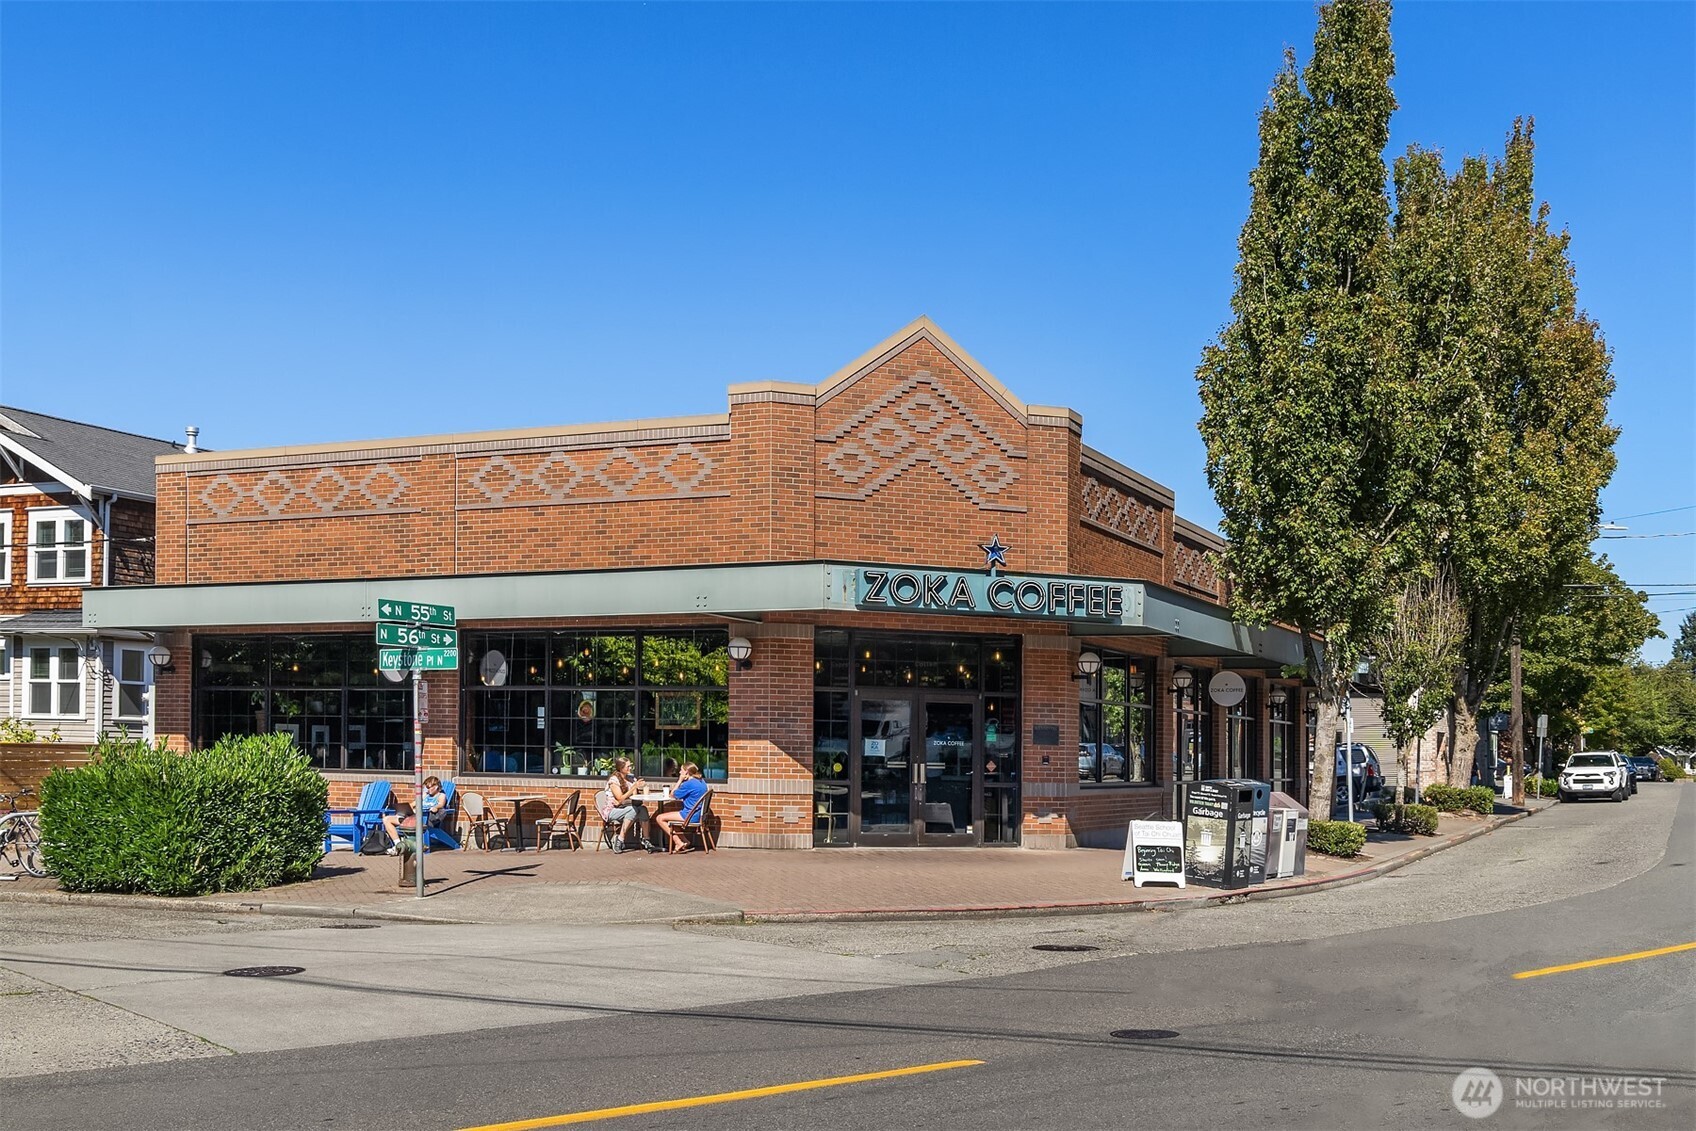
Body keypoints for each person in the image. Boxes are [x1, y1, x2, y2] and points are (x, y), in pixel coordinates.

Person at [382, 776, 446, 855]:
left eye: (428, 787)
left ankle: (399, 848)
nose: (427, 789)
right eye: (426, 787)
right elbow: (412, 804)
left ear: (436, 787)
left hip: (424, 820)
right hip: (412, 818)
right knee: (387, 819)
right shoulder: (425, 796)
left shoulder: (441, 795)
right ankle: (398, 845)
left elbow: (441, 804)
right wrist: (404, 808)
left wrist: (436, 807)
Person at [655, 762, 709, 852]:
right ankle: (685, 841)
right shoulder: (702, 781)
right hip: (700, 815)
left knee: (659, 818)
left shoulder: (689, 784)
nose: (679, 772)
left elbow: (672, 794)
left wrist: (680, 780)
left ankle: (678, 842)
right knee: (673, 821)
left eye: (681, 770)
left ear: (686, 772)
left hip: (690, 815)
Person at [604, 757, 651, 854]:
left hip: (627, 807)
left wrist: (640, 787)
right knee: (633, 810)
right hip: (613, 810)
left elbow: (634, 797)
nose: (630, 768)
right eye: (628, 766)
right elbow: (620, 798)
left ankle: (646, 840)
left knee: (643, 809)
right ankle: (620, 840)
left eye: (631, 766)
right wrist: (633, 787)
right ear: (621, 768)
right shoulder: (614, 780)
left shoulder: (631, 778)